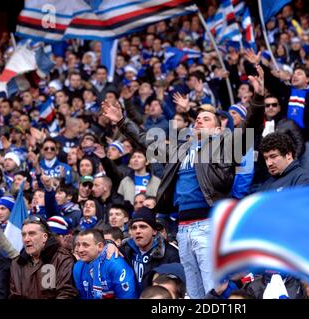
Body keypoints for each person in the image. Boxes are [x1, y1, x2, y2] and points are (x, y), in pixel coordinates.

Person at [102, 65, 261, 299]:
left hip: (208, 224)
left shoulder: (224, 146)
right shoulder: (181, 148)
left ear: (218, 128)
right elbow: (146, 140)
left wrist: (257, 99)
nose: (198, 121)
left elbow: (250, 127)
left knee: (213, 290)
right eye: (197, 119)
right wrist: (122, 121)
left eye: (206, 119)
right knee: (194, 293)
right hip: (183, 228)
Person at [0, 208, 78, 299]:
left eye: (32, 234)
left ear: (45, 237)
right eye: (24, 235)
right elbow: (15, 296)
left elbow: (66, 293)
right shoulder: (17, 263)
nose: (26, 239)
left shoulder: (62, 258)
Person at [119, 207, 180, 294]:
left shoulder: (171, 254)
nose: (138, 231)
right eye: (134, 227)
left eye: (143, 227)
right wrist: (110, 243)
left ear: (154, 231)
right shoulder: (125, 250)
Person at [73, 229, 137, 299]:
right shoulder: (78, 267)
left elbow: (127, 296)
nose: (80, 250)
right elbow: (83, 296)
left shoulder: (115, 264)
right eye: (78, 245)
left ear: (100, 246)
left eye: (86, 245)